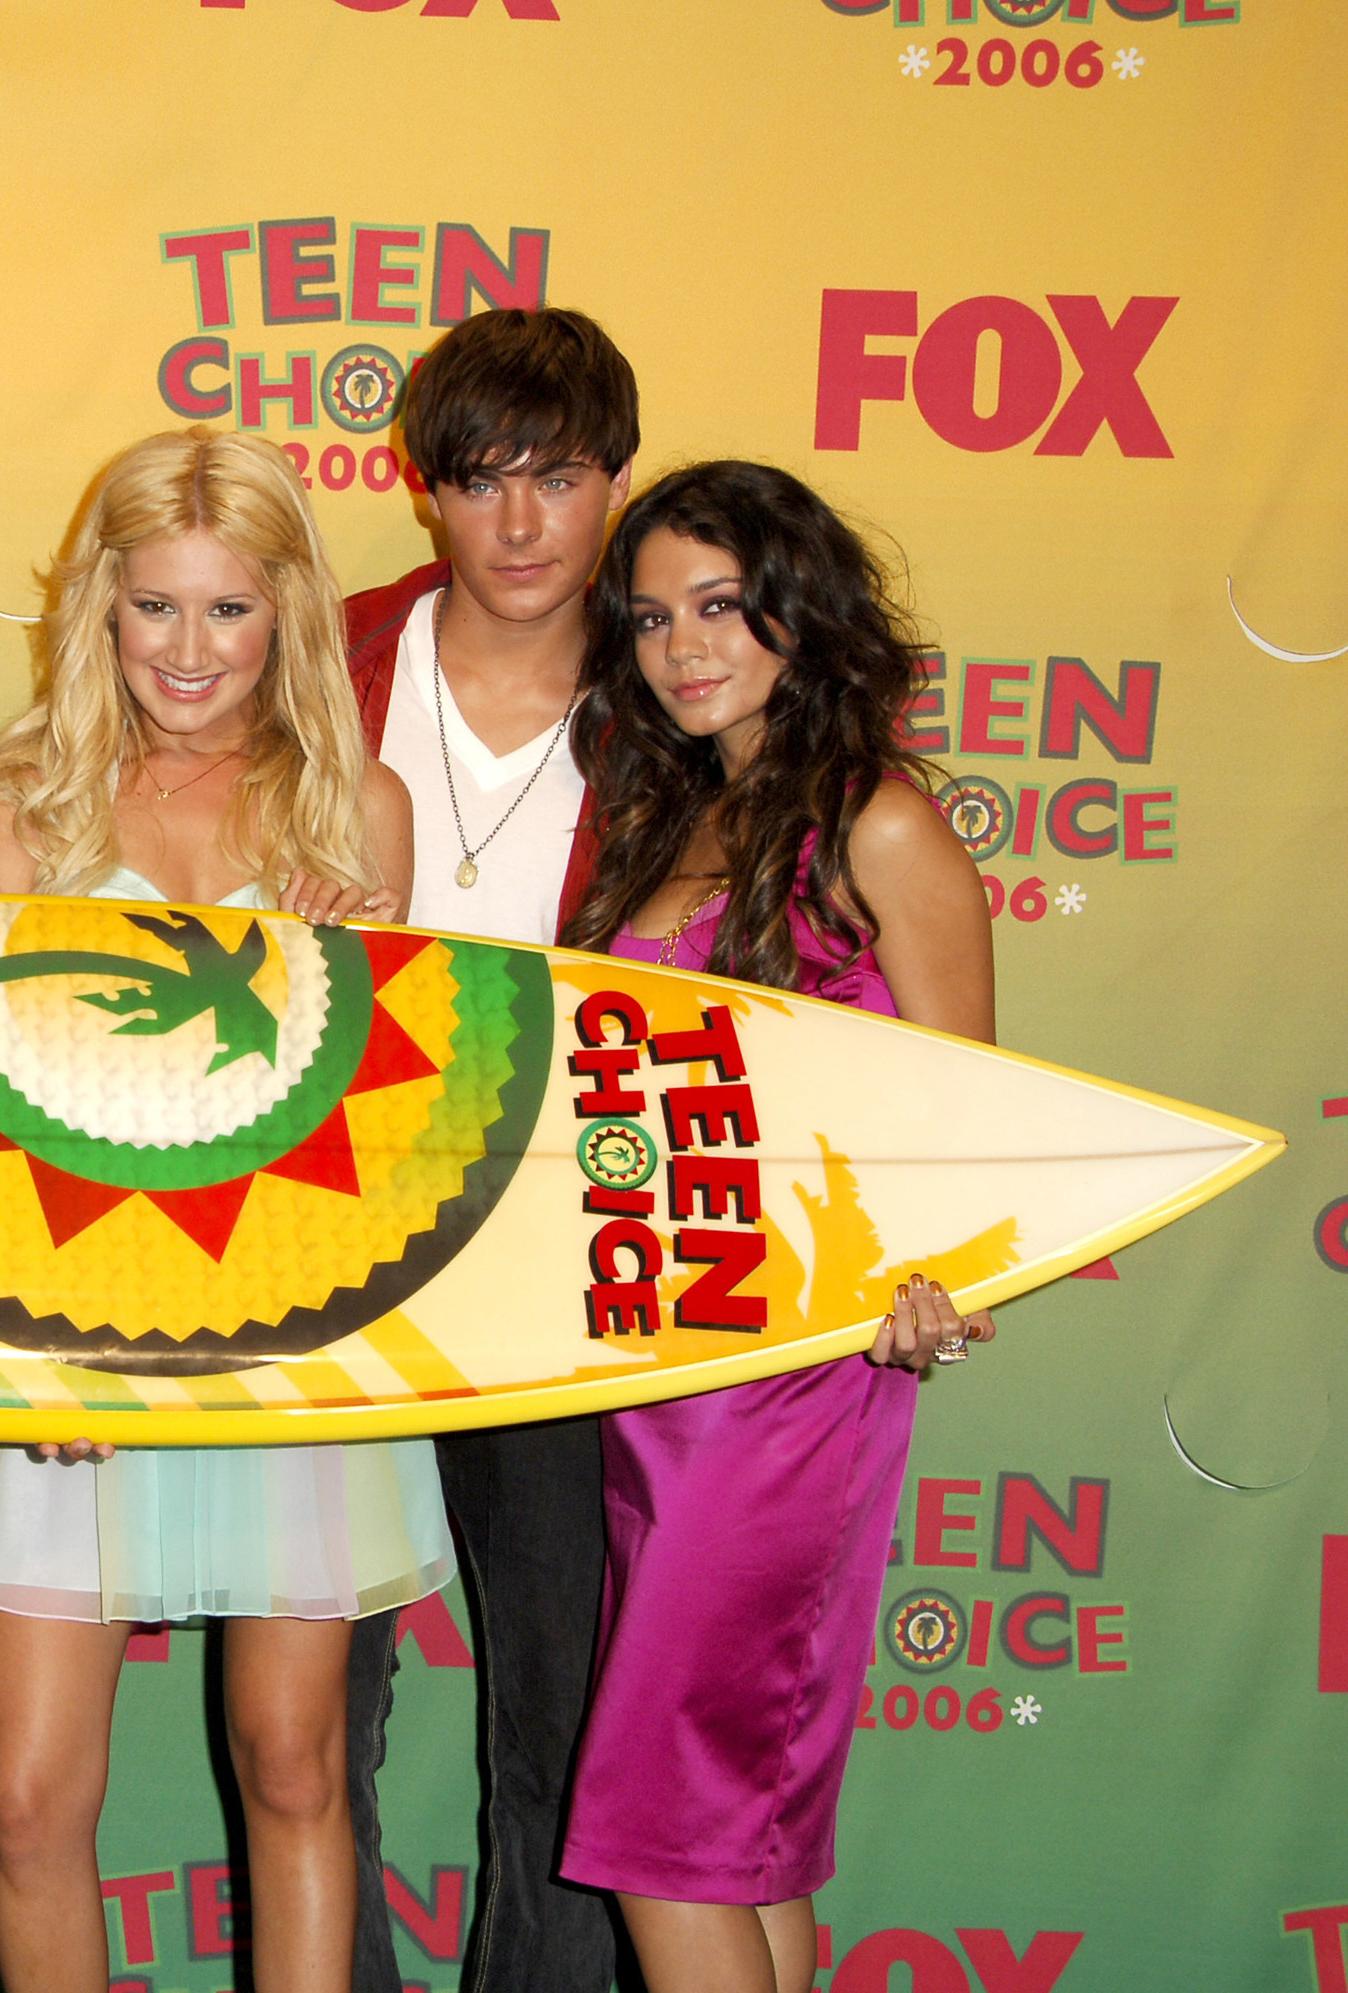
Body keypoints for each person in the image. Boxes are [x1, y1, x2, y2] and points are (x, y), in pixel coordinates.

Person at [0, 426, 434, 1993]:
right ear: (99, 608)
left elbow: (385, 1130)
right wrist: (14, 1352)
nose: (189, 651)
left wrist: (364, 960)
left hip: (289, 1343)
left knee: (297, 1767)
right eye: (154, 607)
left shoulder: (355, 809)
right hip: (68, 1343)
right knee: (31, 1798)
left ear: (287, 615)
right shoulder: (19, 795)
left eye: (228, 610)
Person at [553, 460, 994, 1993]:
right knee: (742, 1829)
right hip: (657, 1370)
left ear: (800, 607)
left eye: (723, 606)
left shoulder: (877, 822)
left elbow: (966, 1113)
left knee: (658, 1831)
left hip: (795, 1377)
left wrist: (942, 1271)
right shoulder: (667, 809)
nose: (685, 646)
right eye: (656, 616)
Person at [335, 304, 639, 1993]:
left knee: (568, 1724)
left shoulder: (678, 680)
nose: (522, 524)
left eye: (563, 477)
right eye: (483, 479)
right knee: (310, 1726)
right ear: (424, 485)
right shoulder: (324, 648)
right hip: (330, 1240)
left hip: (573, 1264)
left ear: (617, 484)